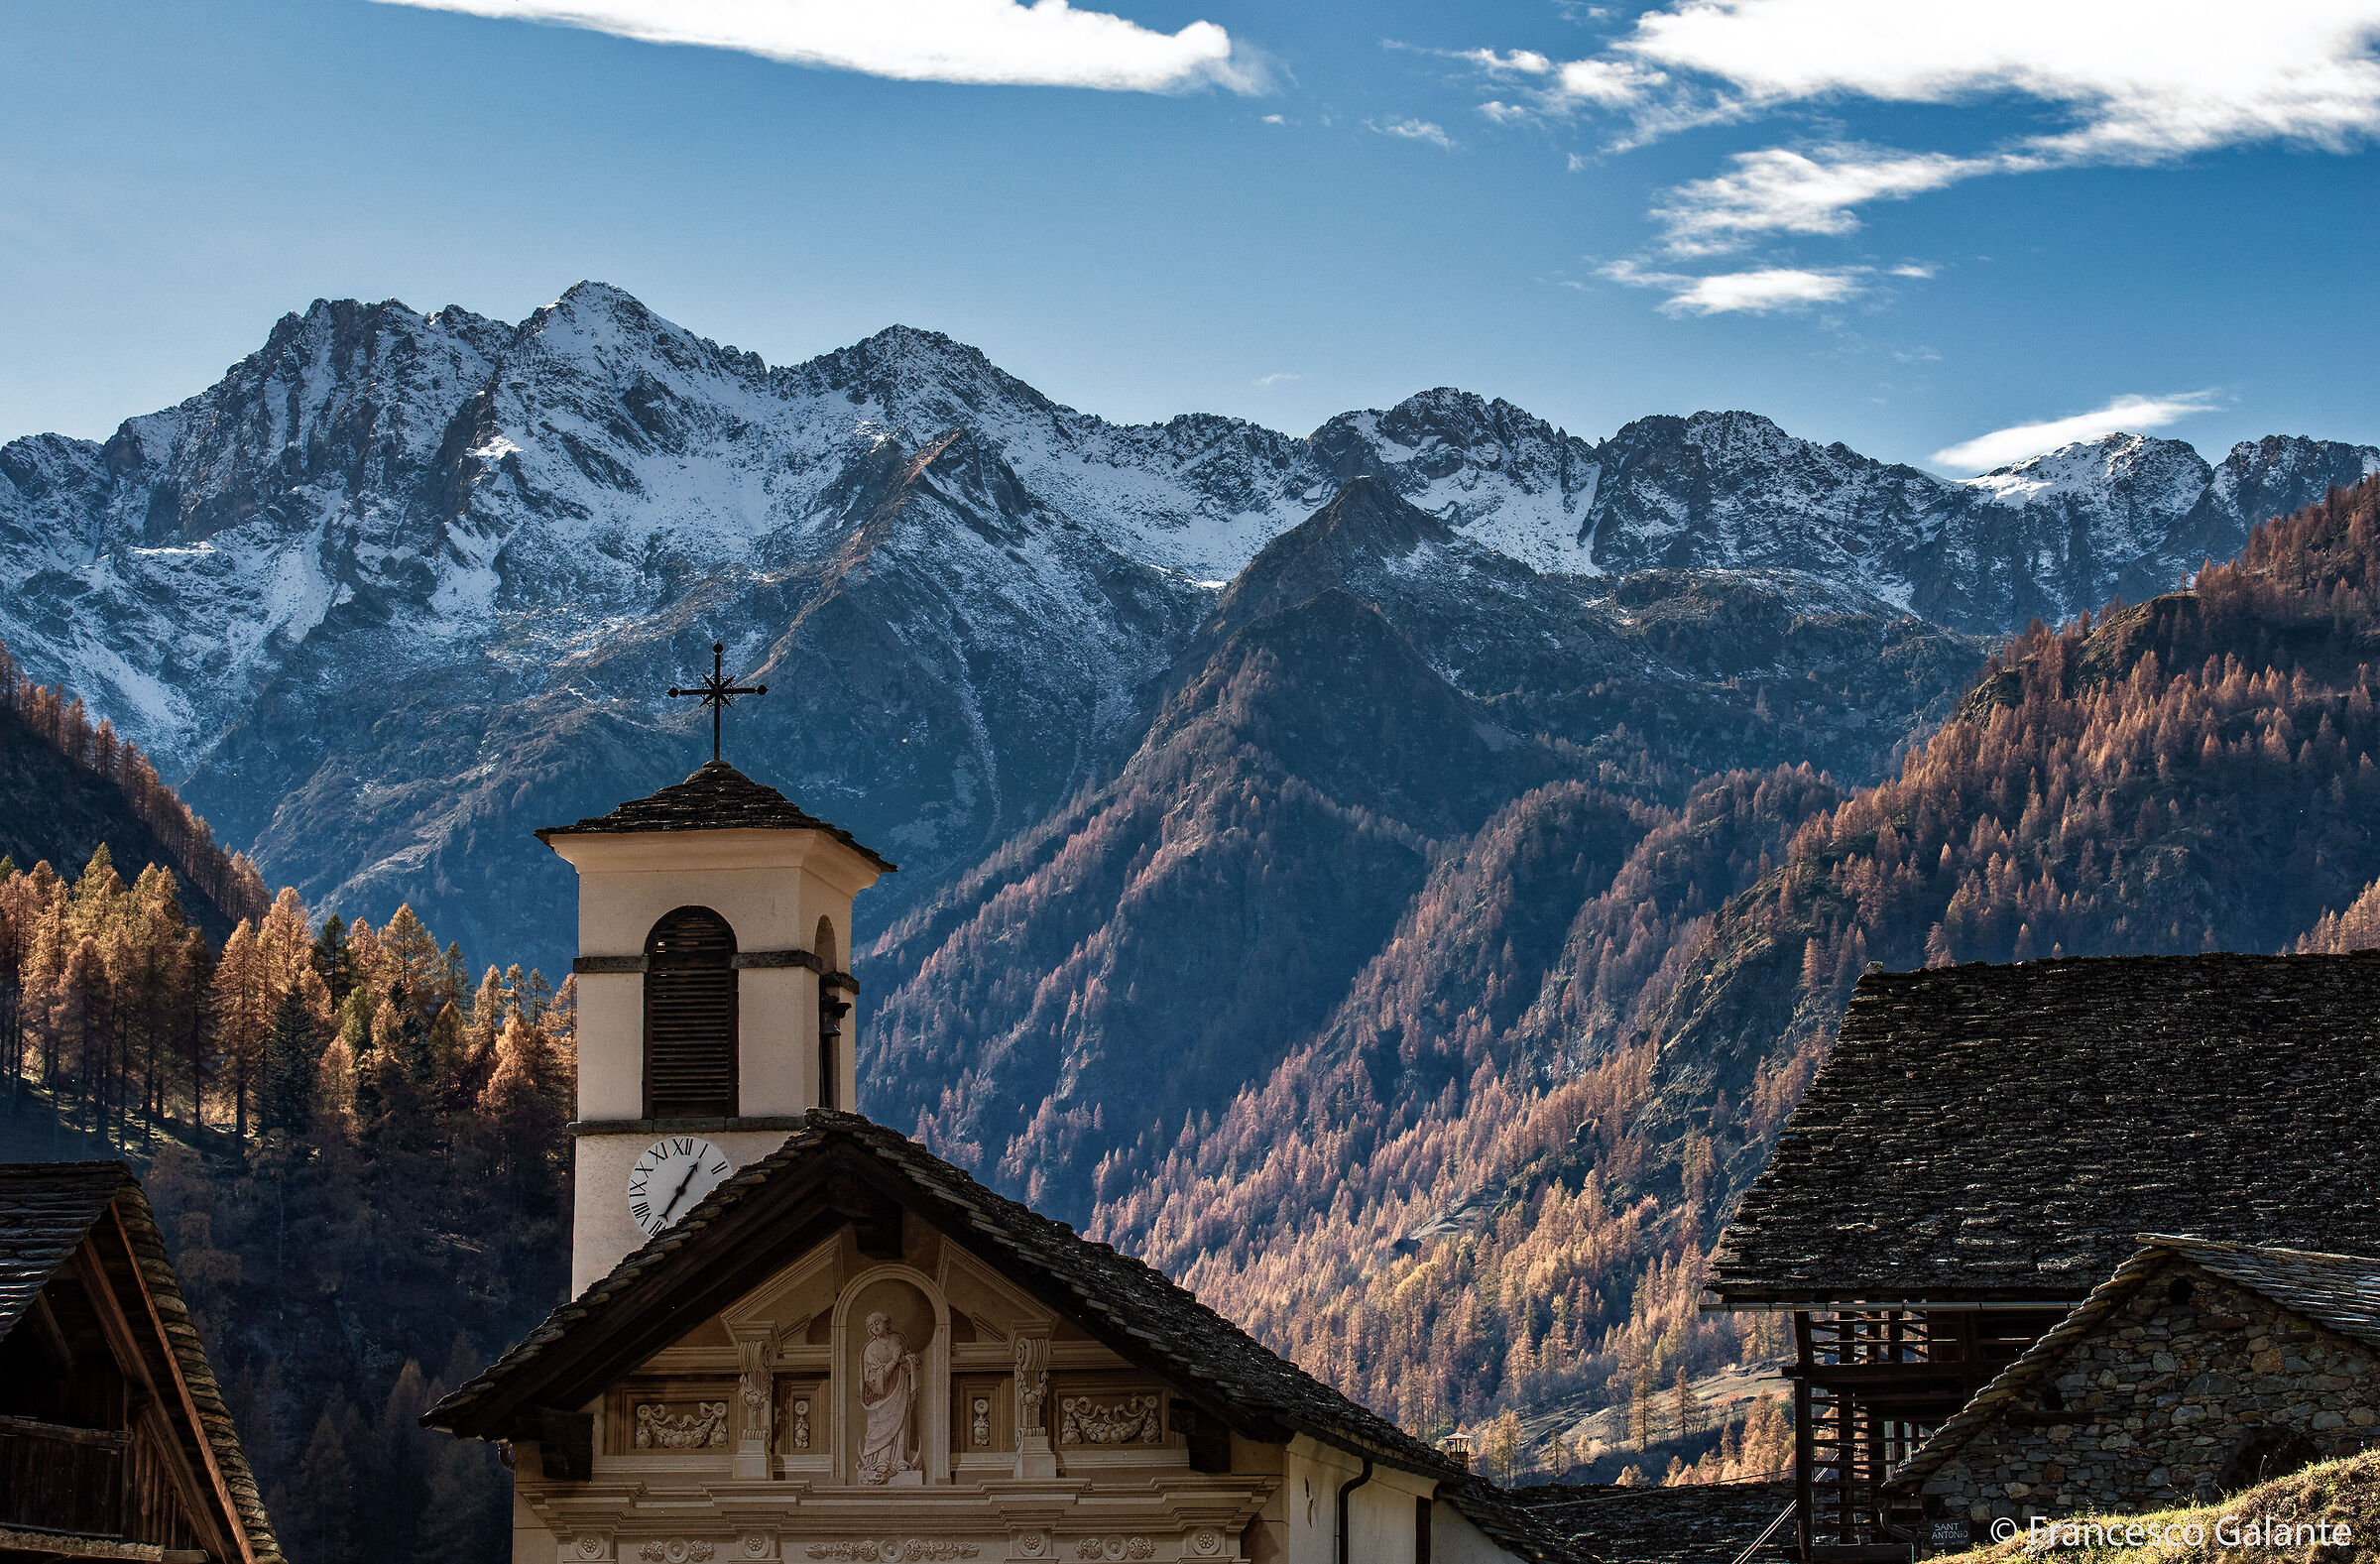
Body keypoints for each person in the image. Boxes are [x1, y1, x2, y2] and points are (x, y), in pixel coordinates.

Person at [857, 1310, 920, 1484]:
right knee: (882, 1426)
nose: (874, 1327)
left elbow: (910, 1359)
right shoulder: (870, 1349)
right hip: (882, 1396)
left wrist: (905, 1361)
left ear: (886, 1323)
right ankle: (882, 1461)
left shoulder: (898, 1339)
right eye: (871, 1326)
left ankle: (899, 1460)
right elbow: (873, 1379)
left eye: (877, 1323)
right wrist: (893, 1362)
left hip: (900, 1388)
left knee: (900, 1423)